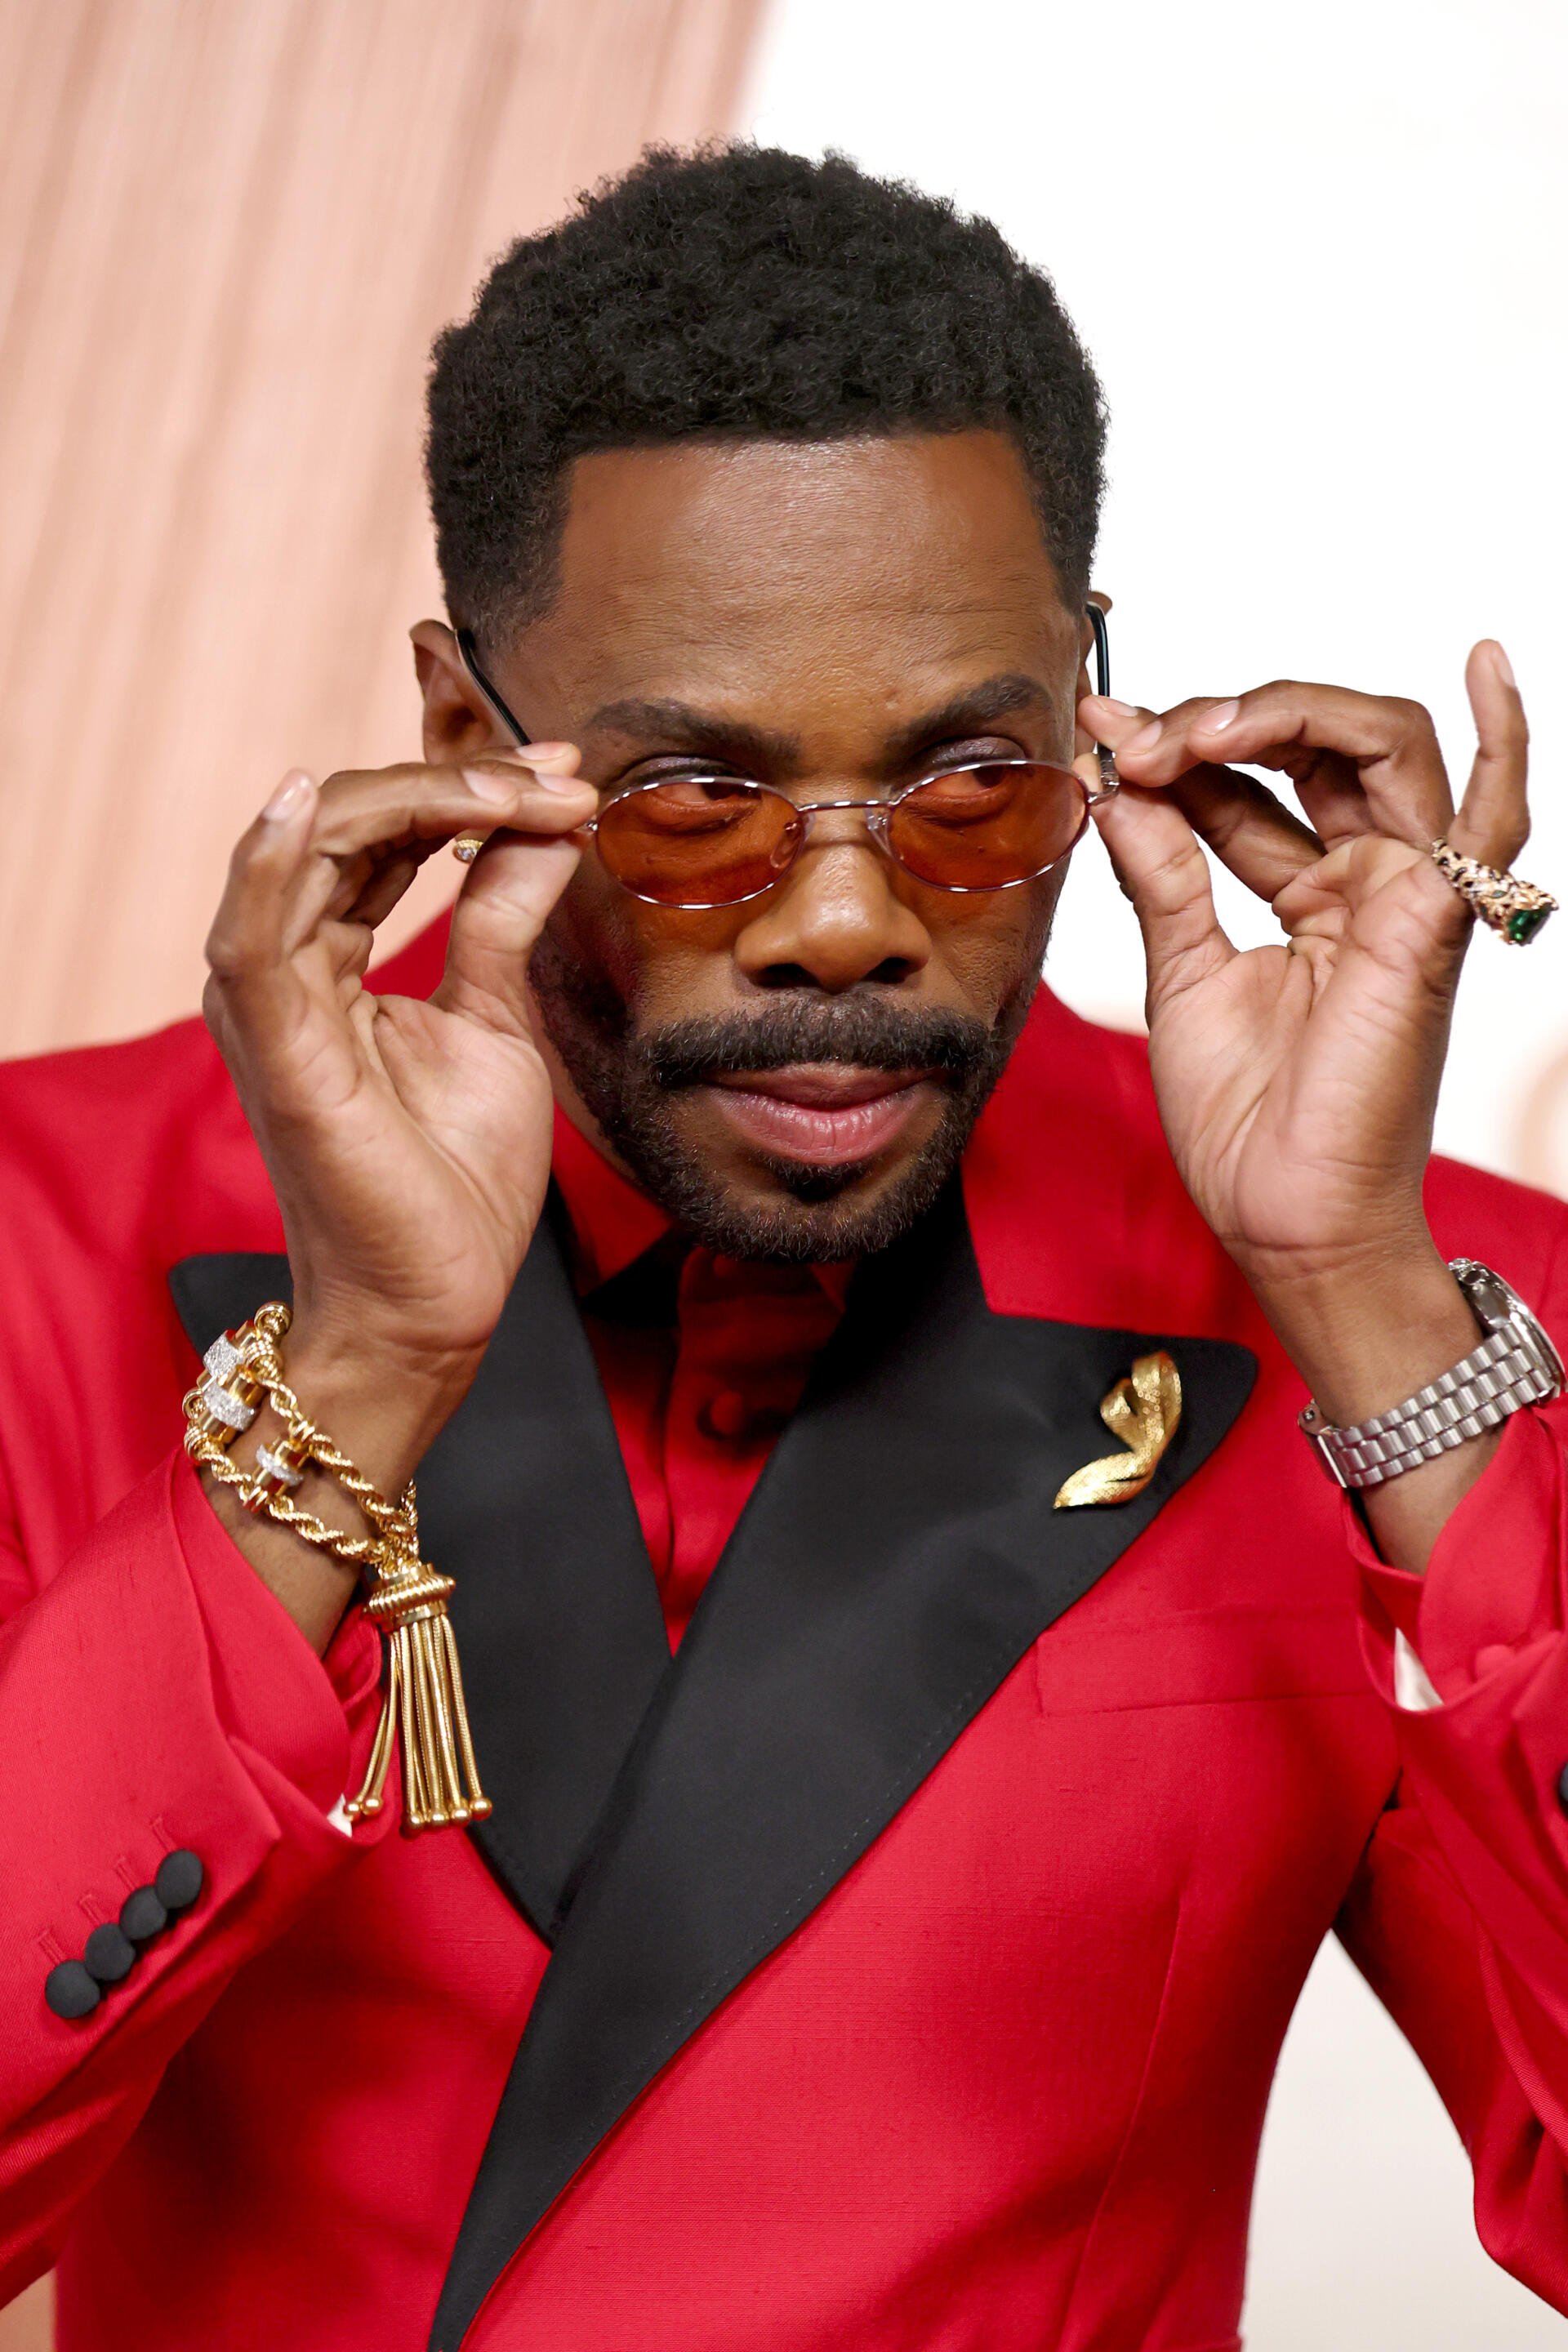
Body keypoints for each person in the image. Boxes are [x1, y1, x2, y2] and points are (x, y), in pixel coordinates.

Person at [2, 142, 1566, 2352]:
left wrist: (1367, 1307)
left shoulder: (1411, 1314)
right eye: (693, 800)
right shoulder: (44, 1228)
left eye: (966, 784)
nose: (847, 920)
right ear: (473, 742)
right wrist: (351, 1385)